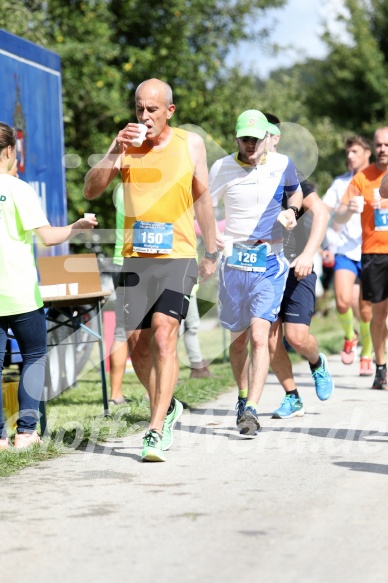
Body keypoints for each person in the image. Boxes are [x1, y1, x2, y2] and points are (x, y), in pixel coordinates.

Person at [84, 78, 217, 461]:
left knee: (163, 334)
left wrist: (210, 250)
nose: (144, 116)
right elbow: (91, 190)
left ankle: (155, 430)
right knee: (139, 349)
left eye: (152, 109)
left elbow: (203, 198)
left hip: (178, 255)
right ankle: (168, 402)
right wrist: (114, 152)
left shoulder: (190, 143)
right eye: (139, 108)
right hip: (135, 259)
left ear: (169, 111)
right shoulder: (124, 144)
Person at [0, 121, 97, 450]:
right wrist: (76, 227)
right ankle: (26, 432)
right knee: (34, 356)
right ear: (11, 151)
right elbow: (47, 237)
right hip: (21, 292)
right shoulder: (19, 190)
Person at [209, 109, 302, 436]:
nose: (250, 144)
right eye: (244, 138)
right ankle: (243, 394)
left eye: (255, 139)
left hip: (269, 261)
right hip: (234, 262)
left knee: (261, 335)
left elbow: (296, 191)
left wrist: (291, 210)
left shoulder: (282, 163)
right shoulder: (221, 167)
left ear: (267, 138)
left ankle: (252, 409)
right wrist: (212, 238)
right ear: (236, 138)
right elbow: (204, 206)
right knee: (238, 342)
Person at [262, 116, 334, 420]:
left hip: (296, 267)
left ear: (275, 138)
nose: (255, 143)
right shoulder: (242, 175)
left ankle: (317, 363)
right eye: (248, 137)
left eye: (263, 135)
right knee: (268, 339)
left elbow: (321, 213)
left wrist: (308, 254)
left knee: (296, 337)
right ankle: (292, 396)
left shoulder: (290, 174)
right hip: (263, 268)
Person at [335, 127, 388, 390]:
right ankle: (380, 368)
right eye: (379, 144)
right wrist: (349, 211)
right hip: (374, 253)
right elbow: (339, 218)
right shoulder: (361, 179)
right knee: (377, 314)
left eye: (387, 145)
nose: (382, 149)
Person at [322, 136, 373, 375]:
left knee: (365, 308)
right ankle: (350, 336)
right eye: (348, 152)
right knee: (343, 302)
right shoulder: (340, 183)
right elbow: (323, 212)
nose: (350, 156)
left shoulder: (379, 179)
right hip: (344, 250)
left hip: (373, 250)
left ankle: (366, 353)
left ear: (367, 153)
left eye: (355, 151)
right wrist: (322, 242)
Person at [108, 183, 130, 405]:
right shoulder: (150, 186)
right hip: (143, 262)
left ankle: (115, 393)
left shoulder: (120, 188)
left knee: (121, 331)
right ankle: (152, 391)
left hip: (120, 261)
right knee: (155, 329)